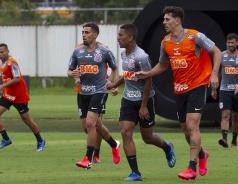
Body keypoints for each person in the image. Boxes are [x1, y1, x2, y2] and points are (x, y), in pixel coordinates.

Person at [134, 6, 221, 180]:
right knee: (187, 133)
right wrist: (147, 73)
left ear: (177, 20)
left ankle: (191, 167)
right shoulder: (165, 42)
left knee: (192, 125)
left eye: (167, 19)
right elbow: (163, 65)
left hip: (197, 85)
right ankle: (202, 155)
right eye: (164, 19)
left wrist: (214, 74)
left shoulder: (195, 36)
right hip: (179, 89)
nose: (164, 22)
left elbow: (217, 51)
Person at [106, 24, 176, 181]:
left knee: (148, 138)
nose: (118, 38)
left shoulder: (141, 56)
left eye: (121, 35)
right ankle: (135, 173)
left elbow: (148, 81)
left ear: (130, 37)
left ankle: (167, 147)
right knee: (125, 132)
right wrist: (114, 84)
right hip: (128, 100)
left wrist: (144, 106)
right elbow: (128, 74)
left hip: (145, 100)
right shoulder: (124, 54)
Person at [67, 22, 120, 170]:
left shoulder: (104, 51)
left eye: (87, 32)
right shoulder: (77, 51)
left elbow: (115, 69)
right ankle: (114, 144)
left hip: (99, 91)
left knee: (91, 123)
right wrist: (73, 74)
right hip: (83, 92)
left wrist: (112, 84)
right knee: (91, 126)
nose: (84, 35)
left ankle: (88, 158)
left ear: (95, 35)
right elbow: (69, 71)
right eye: (83, 32)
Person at [0, 43, 45, 152]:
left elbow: (17, 79)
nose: (0, 54)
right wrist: (3, 88)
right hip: (8, 95)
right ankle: (6, 139)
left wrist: (2, 86)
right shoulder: (2, 64)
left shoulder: (12, 63)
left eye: (2, 52)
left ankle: (40, 140)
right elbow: (8, 78)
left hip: (19, 96)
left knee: (27, 120)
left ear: (8, 51)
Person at [217, 33, 238, 149]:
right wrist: (214, 88)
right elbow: (218, 73)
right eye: (229, 42)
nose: (230, 45)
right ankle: (224, 139)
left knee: (236, 116)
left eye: (232, 43)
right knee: (225, 114)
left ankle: (234, 141)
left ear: (237, 43)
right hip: (224, 90)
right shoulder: (221, 55)